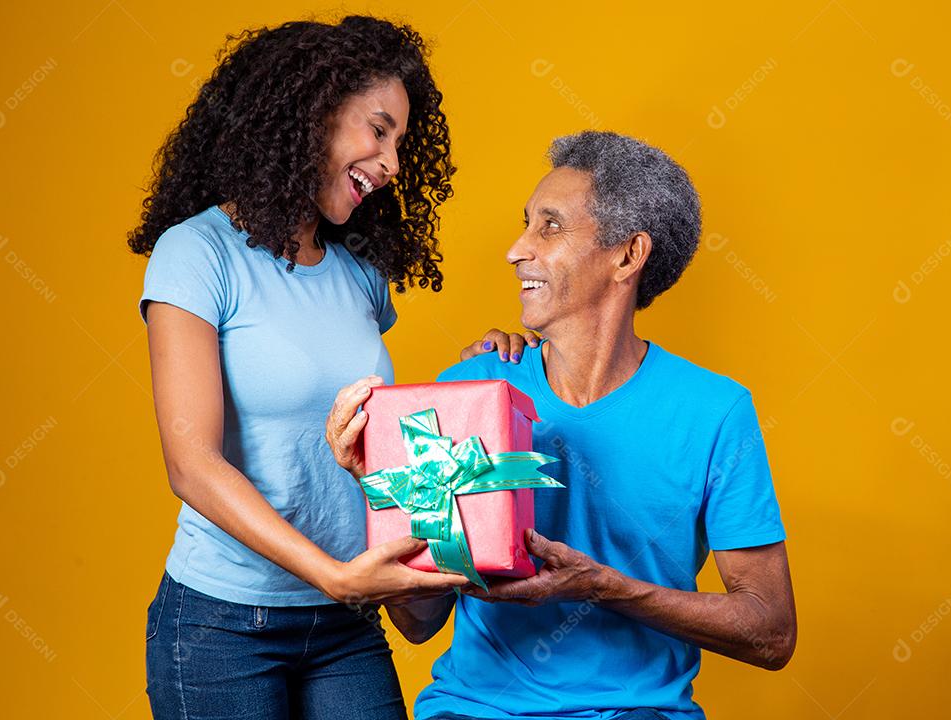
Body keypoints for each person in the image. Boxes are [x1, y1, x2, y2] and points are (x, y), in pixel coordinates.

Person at [130, 16, 533, 720]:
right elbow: (191, 462)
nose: (393, 162)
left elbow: (361, 433)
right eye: (379, 130)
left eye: (401, 142)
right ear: (310, 109)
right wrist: (334, 575)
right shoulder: (197, 254)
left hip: (347, 622)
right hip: (224, 624)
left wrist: (471, 389)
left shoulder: (359, 275)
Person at [327, 130, 796, 720]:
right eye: (526, 223)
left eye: (549, 226)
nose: (516, 249)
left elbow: (772, 633)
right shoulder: (468, 391)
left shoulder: (715, 411)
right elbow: (418, 622)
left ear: (627, 255)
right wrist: (383, 487)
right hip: (473, 710)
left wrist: (605, 587)